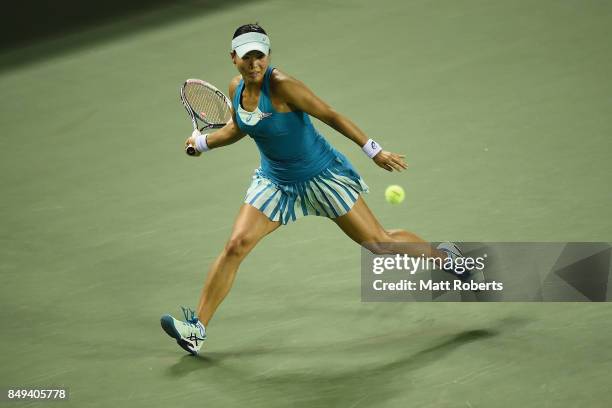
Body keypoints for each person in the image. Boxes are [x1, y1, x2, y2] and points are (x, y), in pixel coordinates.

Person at [160, 23, 468, 355]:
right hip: (275, 182)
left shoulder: (283, 86)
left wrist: (374, 150)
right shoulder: (236, 87)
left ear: (267, 56)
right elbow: (239, 127)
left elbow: (330, 115)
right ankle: (196, 330)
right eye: (246, 57)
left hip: (322, 176)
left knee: (380, 244)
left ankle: (445, 259)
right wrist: (203, 142)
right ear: (233, 58)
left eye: (259, 56)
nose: (254, 64)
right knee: (236, 245)